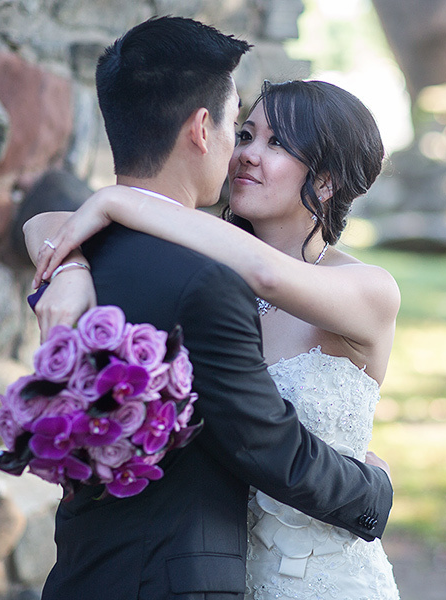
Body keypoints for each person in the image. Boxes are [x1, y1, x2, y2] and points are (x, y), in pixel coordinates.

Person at [21, 18, 395, 600]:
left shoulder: (367, 288)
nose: (246, 154)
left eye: (276, 144)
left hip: (318, 572)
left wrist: (116, 197)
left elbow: (268, 273)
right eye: (244, 133)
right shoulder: (200, 261)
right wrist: (69, 266)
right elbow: (45, 222)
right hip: (215, 564)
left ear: (323, 181)